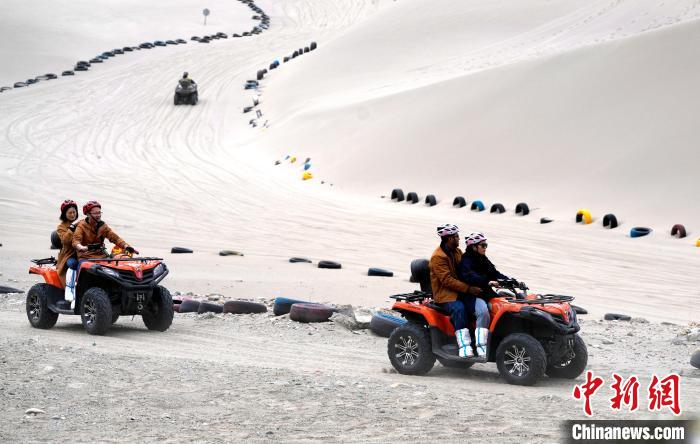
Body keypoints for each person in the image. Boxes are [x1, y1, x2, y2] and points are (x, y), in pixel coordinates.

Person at [430, 224, 481, 358]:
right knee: (459, 309)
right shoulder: (438, 257)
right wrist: (468, 288)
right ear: (449, 239)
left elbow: (466, 267)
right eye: (456, 236)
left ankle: (477, 340)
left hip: (459, 291)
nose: (459, 238)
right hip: (445, 295)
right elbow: (447, 280)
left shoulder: (457, 252)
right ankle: (464, 346)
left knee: (478, 304)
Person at [458, 232, 511, 358]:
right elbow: (470, 276)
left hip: (485, 293)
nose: (485, 247)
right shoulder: (466, 261)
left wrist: (510, 281)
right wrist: (487, 281)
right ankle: (481, 347)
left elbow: (495, 273)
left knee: (503, 306)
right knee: (483, 312)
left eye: (486, 245)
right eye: (483, 245)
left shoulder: (483, 259)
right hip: (471, 295)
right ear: (474, 247)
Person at [72, 201, 138, 262]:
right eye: (95, 213)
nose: (98, 215)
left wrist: (126, 246)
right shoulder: (81, 226)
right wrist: (81, 247)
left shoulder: (103, 226)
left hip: (102, 256)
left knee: (123, 259)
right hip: (85, 257)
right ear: (88, 214)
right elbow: (76, 241)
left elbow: (115, 238)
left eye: (99, 212)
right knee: (94, 268)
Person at [56, 200, 79, 302]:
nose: (72, 215)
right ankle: (70, 289)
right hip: (69, 255)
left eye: (74, 212)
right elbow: (65, 241)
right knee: (73, 264)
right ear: (64, 214)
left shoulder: (81, 223)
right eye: (70, 213)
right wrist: (72, 228)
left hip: (84, 253)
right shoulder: (61, 227)